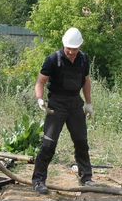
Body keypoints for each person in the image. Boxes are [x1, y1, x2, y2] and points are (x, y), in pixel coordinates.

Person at [32, 27, 94, 194]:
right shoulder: (53, 59)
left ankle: (86, 178)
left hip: (75, 103)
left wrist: (88, 103)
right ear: (64, 45)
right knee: (48, 144)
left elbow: (86, 81)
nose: (72, 52)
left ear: (80, 47)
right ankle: (38, 180)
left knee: (81, 141)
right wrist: (40, 99)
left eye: (75, 49)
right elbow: (40, 82)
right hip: (56, 104)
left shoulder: (83, 59)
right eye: (69, 49)